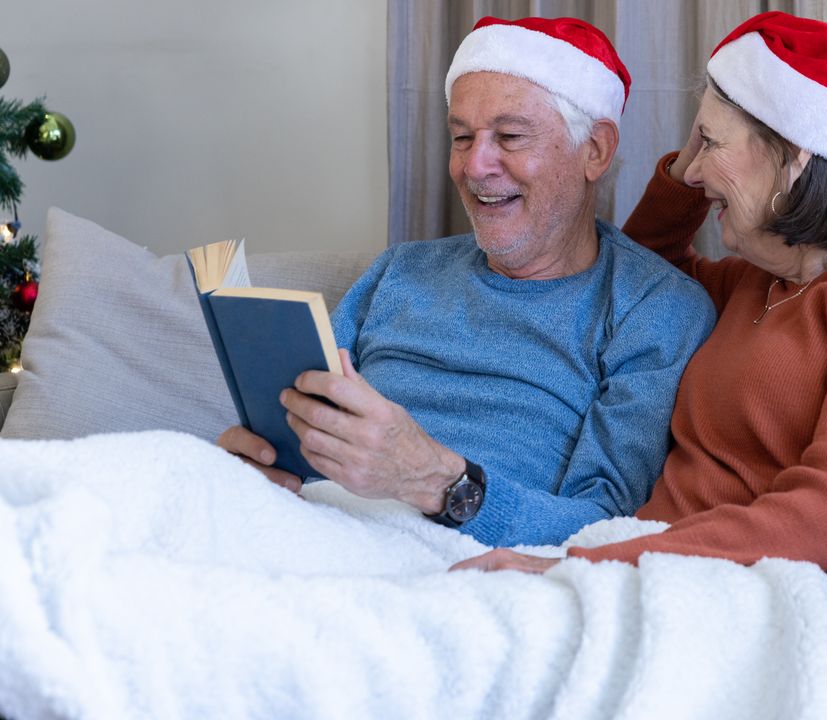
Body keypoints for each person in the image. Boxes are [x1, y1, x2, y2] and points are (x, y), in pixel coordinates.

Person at [452, 11, 827, 698]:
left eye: (710, 144)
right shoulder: (761, 283)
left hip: (821, 602)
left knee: (478, 645)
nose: (694, 169)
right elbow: (629, 278)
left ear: (797, 158)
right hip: (669, 567)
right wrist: (692, 168)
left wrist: (589, 567)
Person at [217, 16, 716, 548]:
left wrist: (438, 481)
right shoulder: (399, 272)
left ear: (594, 149)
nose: (475, 167)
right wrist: (258, 463)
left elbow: (604, 528)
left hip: (464, 561)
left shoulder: (653, 309)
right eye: (461, 137)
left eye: (510, 136)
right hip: (310, 524)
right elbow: (304, 422)